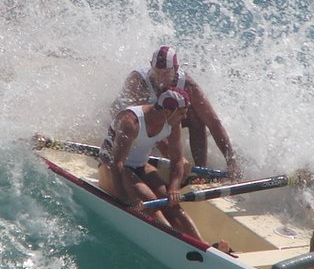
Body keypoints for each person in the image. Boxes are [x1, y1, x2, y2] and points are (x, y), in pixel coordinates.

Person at [98, 86, 230, 252]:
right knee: (149, 200)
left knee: (173, 204)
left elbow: (176, 161)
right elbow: (117, 164)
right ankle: (176, 242)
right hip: (112, 167)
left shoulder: (172, 123)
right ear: (169, 111)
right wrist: (124, 200)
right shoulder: (131, 122)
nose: (185, 117)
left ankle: (204, 247)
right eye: (182, 113)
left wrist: (174, 188)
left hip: (140, 165)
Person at [113, 45, 242, 180]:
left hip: (159, 121)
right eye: (157, 71)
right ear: (151, 65)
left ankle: (200, 174)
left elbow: (214, 123)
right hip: (127, 124)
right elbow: (142, 123)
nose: (160, 78)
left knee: (196, 116)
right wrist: (176, 158)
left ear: (176, 69)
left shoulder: (188, 85)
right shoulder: (138, 82)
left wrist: (231, 161)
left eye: (166, 73)